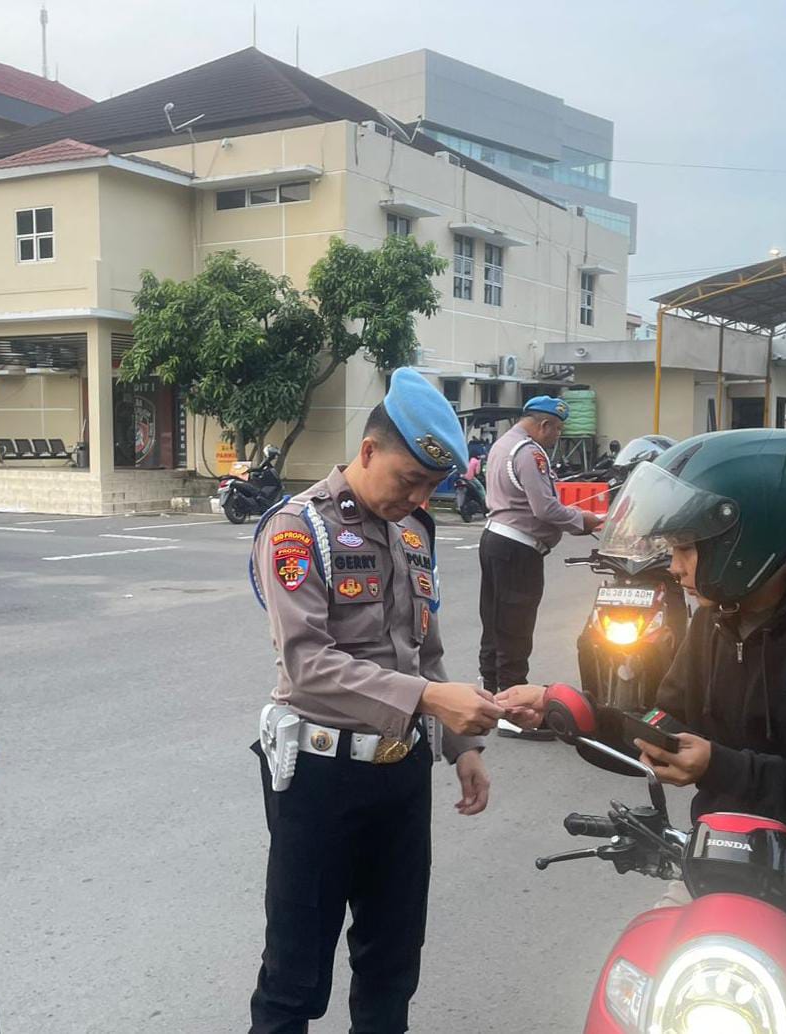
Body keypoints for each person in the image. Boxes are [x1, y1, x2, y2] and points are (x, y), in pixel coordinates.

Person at [499, 428, 786, 1031]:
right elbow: (669, 723)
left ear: (742, 541)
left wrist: (722, 767)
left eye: (686, 549)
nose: (675, 567)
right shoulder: (714, 622)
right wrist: (576, 714)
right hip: (728, 869)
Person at [246, 368, 507, 1034]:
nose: (417, 497)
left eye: (431, 487)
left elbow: (425, 649)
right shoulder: (298, 529)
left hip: (402, 777)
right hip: (321, 779)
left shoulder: (414, 532)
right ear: (367, 451)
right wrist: (430, 699)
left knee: (391, 969)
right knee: (294, 980)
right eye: (409, 479)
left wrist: (464, 746)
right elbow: (308, 665)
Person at [479, 396, 603, 737]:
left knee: (495, 625)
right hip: (518, 548)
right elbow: (545, 509)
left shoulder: (503, 444)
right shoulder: (529, 452)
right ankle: (513, 712)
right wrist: (583, 521)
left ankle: (491, 698)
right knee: (515, 629)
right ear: (544, 425)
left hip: (496, 540)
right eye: (557, 430)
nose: (557, 436)